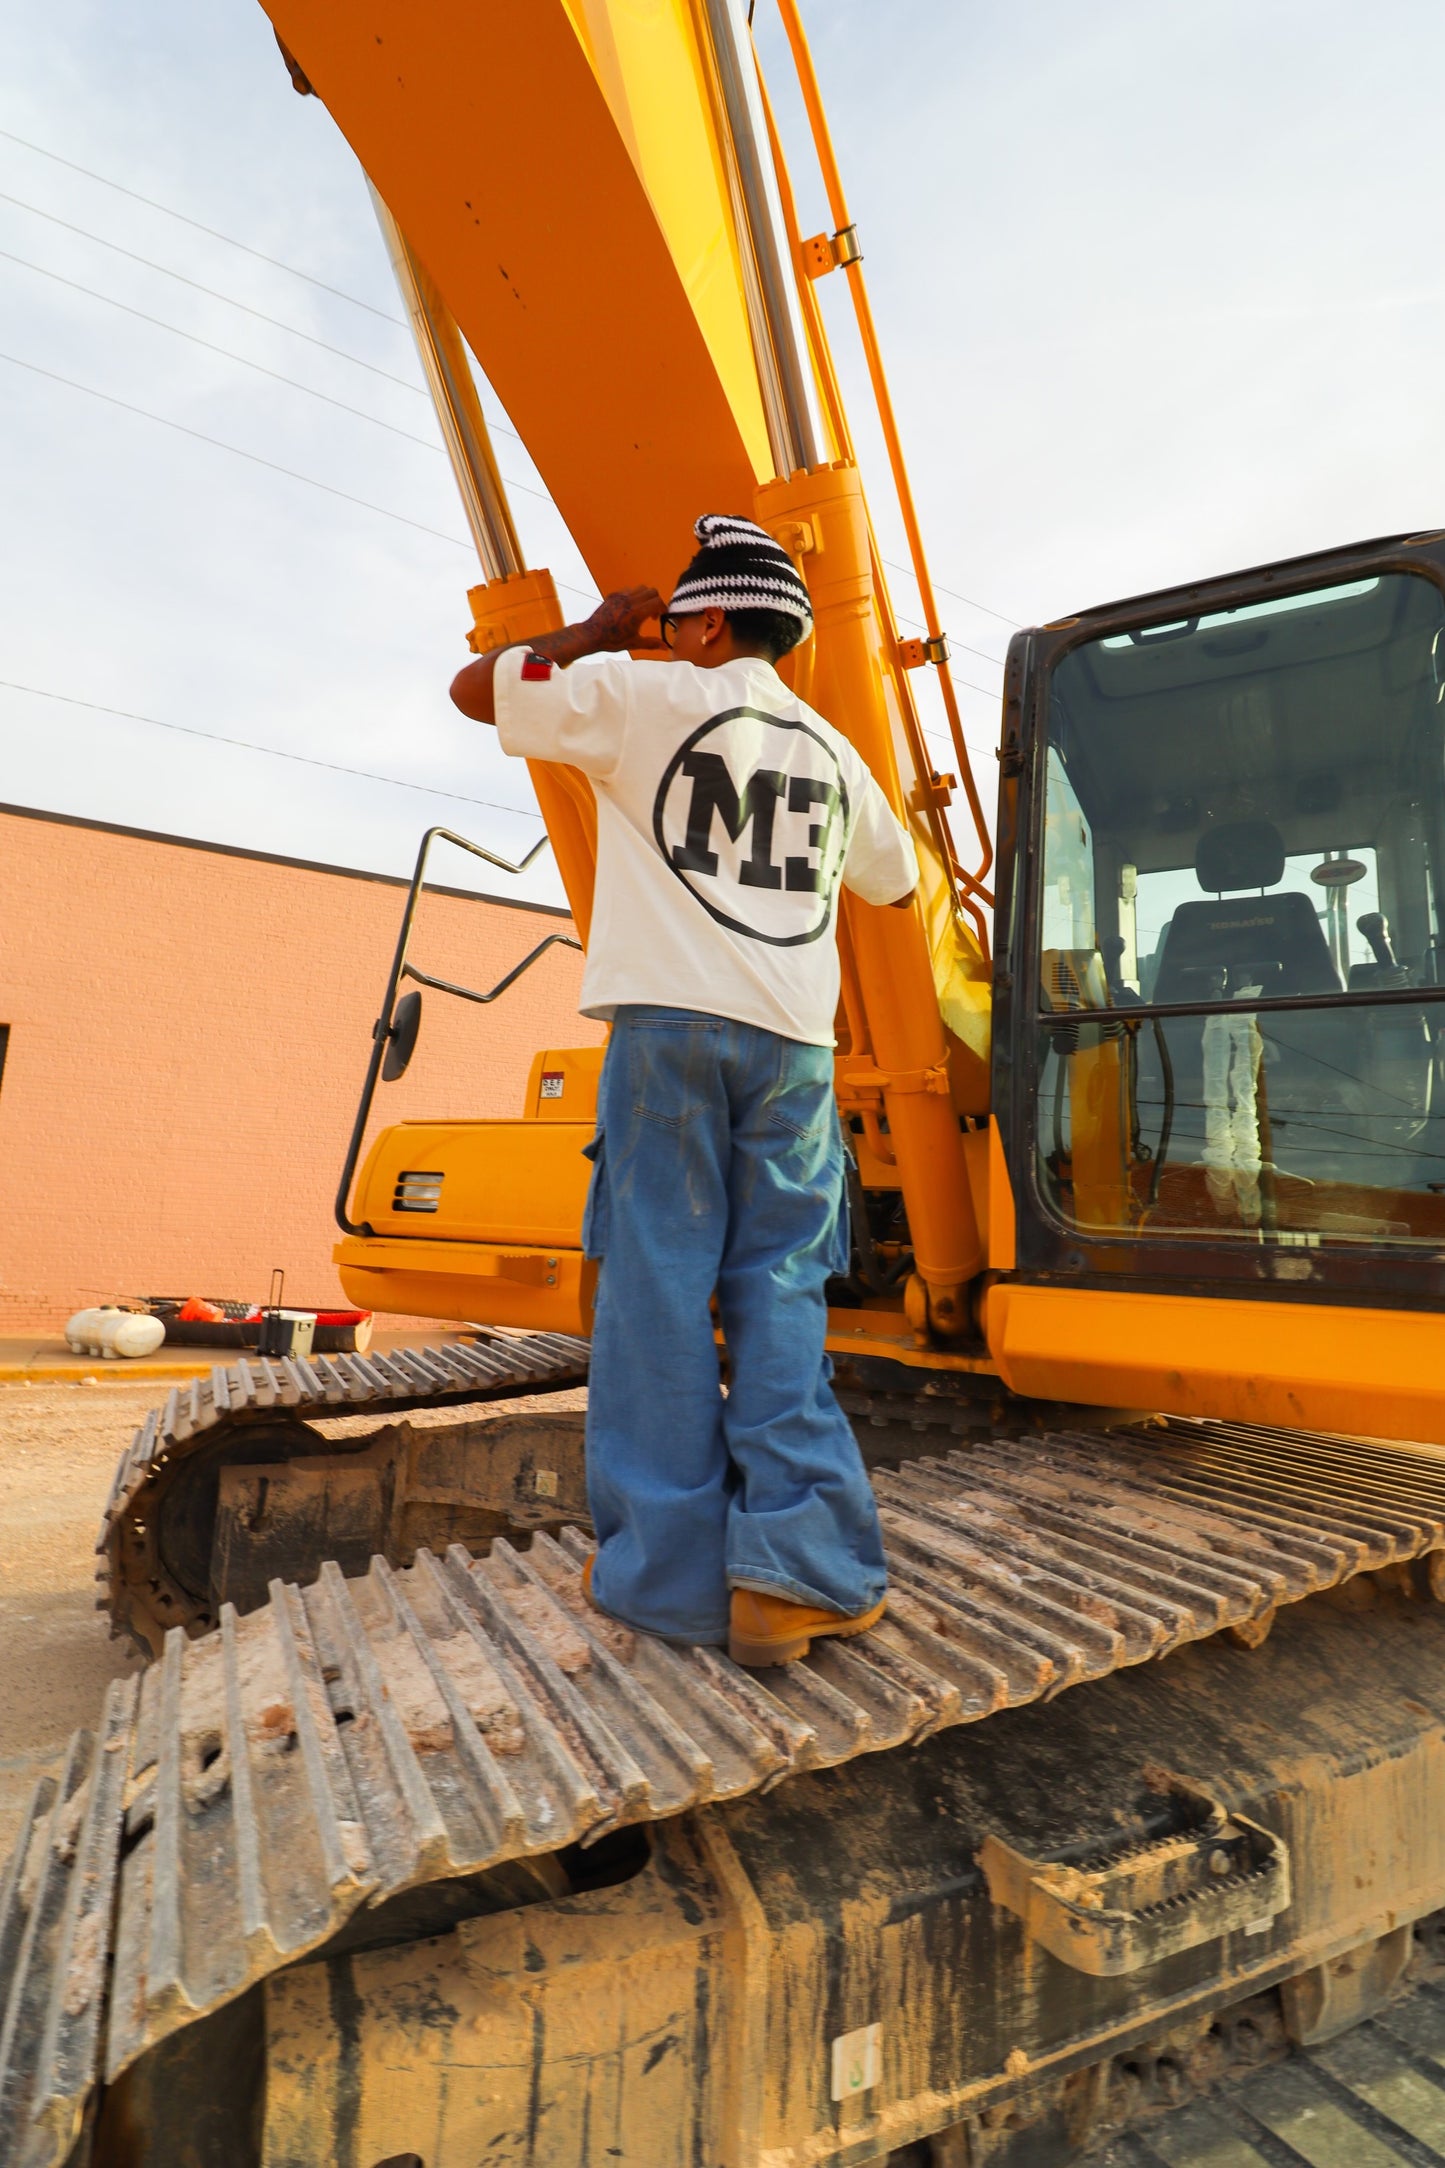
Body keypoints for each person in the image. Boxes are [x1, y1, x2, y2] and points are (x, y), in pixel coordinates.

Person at [450, 513, 919, 1666]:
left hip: (667, 1035)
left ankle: (666, 1581)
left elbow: (477, 689)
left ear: (705, 619)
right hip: (795, 1054)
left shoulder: (639, 693)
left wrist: (601, 626)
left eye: (675, 622)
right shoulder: (828, 745)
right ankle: (794, 1574)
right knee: (782, 1291)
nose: (662, 634)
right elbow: (896, 882)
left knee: (657, 1291)